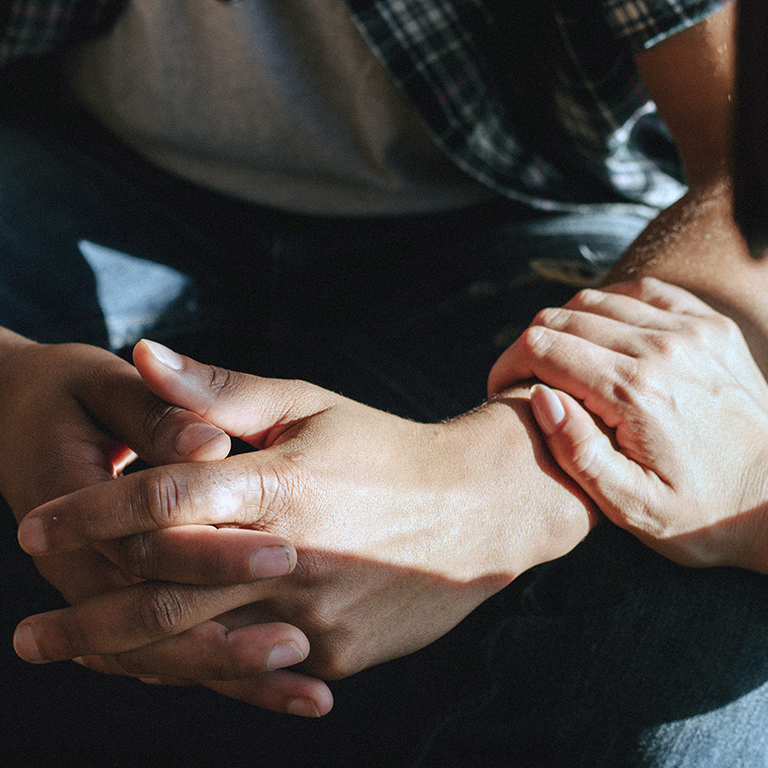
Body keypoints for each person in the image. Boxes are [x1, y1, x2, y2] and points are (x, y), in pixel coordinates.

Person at [3, 1, 767, 766]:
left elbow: (745, 165)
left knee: (683, 632)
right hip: (94, 162)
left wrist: (498, 481)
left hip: (533, 209)